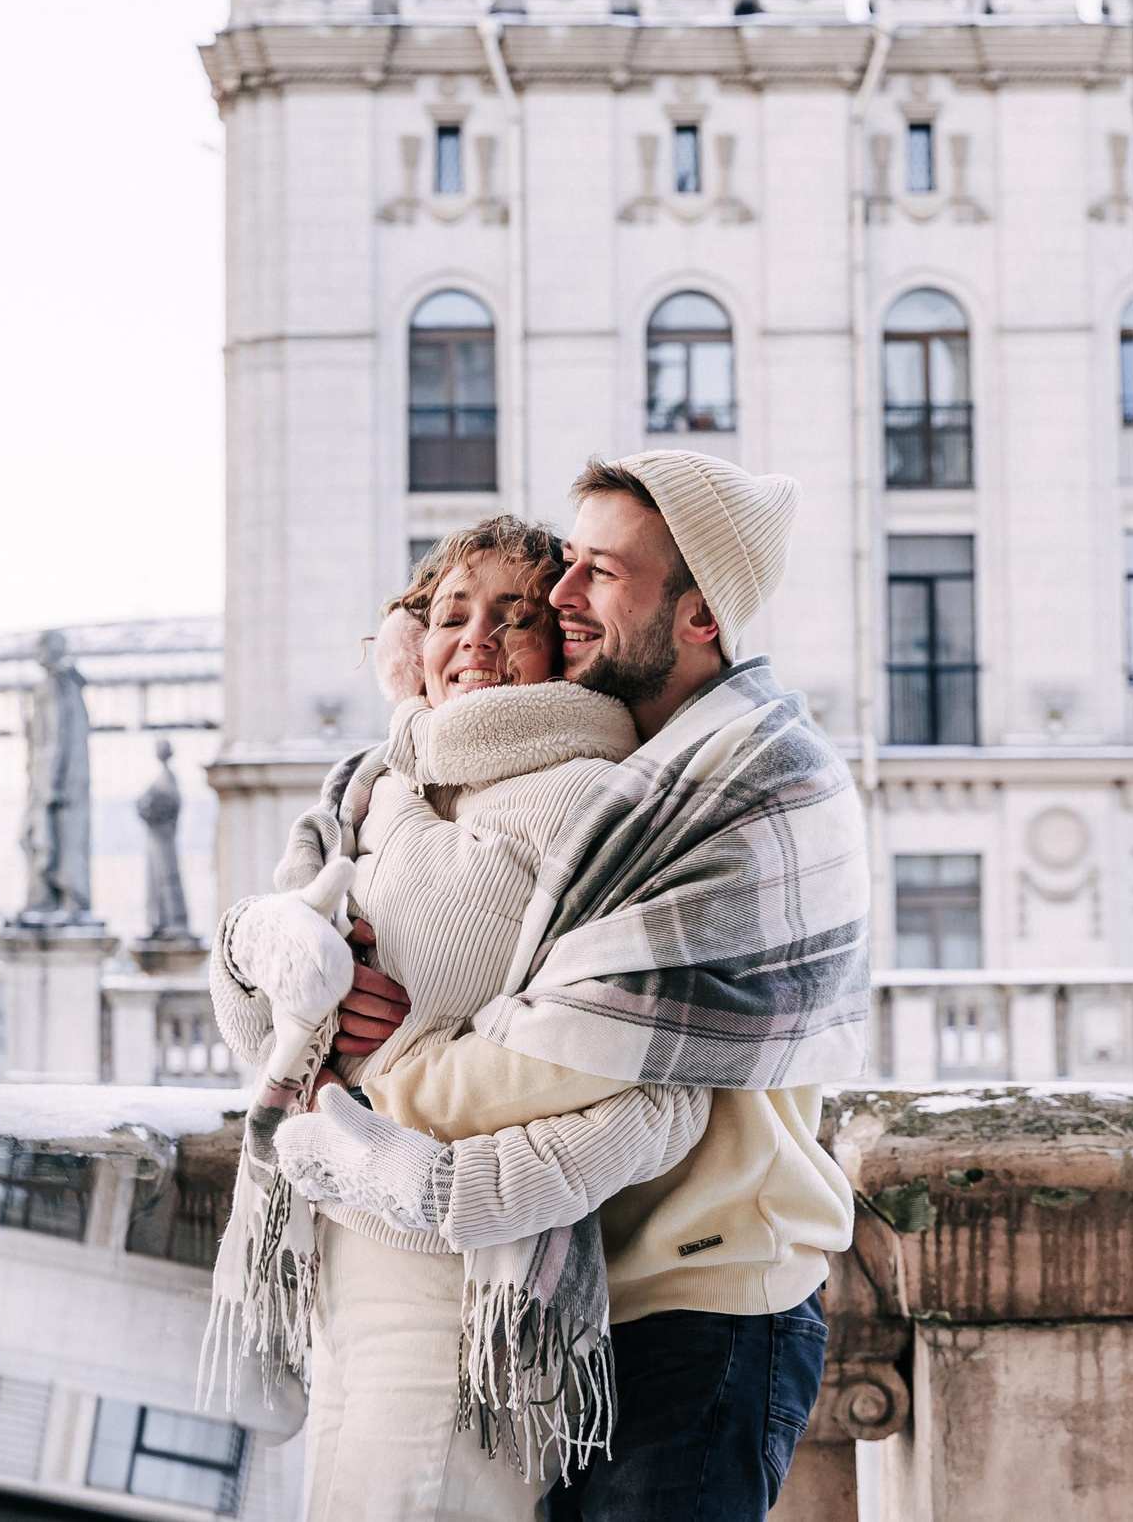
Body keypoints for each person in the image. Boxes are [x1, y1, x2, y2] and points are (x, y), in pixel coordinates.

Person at [267, 451, 871, 1522]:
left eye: (598, 572)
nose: (559, 594)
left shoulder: (755, 780)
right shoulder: (627, 757)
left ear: (697, 615)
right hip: (584, 1299)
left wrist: (367, 1089)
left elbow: (568, 1046)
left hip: (709, 1308)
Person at [207, 517, 716, 1521]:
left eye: (511, 617)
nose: (473, 640)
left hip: (459, 1272)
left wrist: (441, 1185)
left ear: (564, 643)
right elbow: (262, 1023)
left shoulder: (585, 797)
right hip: (339, 1245)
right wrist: (270, 947)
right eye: (448, 614)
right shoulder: (376, 785)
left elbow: (444, 942)